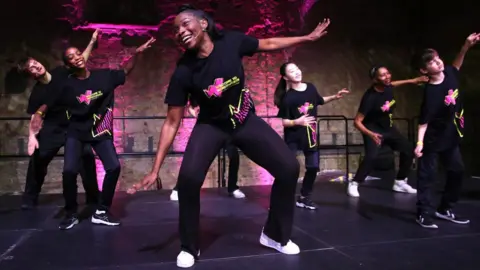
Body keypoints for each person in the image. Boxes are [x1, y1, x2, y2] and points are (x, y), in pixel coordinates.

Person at [137, 4, 330, 268]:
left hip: (244, 120)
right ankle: (189, 247)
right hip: (211, 126)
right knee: (189, 180)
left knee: (288, 168)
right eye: (175, 29)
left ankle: (274, 235)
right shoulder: (184, 71)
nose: (180, 31)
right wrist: (155, 168)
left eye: (185, 24)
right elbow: (172, 122)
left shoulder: (231, 42)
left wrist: (306, 38)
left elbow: (269, 41)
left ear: (203, 24)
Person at [44, 36, 156, 230]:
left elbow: (125, 70)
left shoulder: (102, 77)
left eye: (78, 53)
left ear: (83, 56)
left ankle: (102, 211)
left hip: (99, 131)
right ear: (68, 64)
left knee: (113, 167)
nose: (76, 57)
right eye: (70, 57)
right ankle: (71, 213)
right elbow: (49, 102)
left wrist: (137, 53)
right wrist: (38, 116)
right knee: (69, 170)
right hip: (76, 132)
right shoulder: (66, 85)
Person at [17, 30, 99, 210]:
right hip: (53, 129)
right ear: (31, 75)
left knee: (86, 157)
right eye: (31, 68)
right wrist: (32, 136)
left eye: (35, 63)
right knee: (38, 160)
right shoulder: (37, 93)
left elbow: (79, 60)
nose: (36, 66)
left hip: (73, 125)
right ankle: (30, 198)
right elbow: (35, 117)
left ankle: (94, 197)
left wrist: (92, 42)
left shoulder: (62, 73)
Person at [413, 33, 479, 229]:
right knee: (428, 177)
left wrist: (466, 46)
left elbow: (457, 64)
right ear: (425, 70)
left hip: (451, 137)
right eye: (431, 62)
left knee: (457, 171)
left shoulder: (450, 73)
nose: (437, 62)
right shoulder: (431, 93)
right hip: (432, 141)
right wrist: (419, 144)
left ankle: (445, 209)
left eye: (437, 58)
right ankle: (423, 213)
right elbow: (423, 122)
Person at [274, 62, 349, 210]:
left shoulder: (311, 88)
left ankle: (304, 197)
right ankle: (280, 198)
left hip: (311, 135)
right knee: (288, 168)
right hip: (293, 138)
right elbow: (284, 122)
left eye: (297, 69)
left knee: (313, 167)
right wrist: (297, 121)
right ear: (285, 77)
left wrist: (335, 96)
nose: (296, 72)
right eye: (291, 71)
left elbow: (319, 101)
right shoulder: (288, 98)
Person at [347, 66, 428, 198]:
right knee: (372, 156)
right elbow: (357, 122)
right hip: (373, 130)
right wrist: (371, 134)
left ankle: (400, 182)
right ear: (375, 80)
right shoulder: (370, 97)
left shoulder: (388, 87)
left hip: (388, 128)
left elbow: (394, 84)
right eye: (383, 75)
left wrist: (413, 80)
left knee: (408, 149)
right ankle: (355, 183)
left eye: (388, 73)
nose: (388, 77)